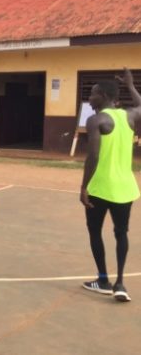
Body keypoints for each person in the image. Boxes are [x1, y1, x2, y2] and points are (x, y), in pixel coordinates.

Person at [80, 68, 140, 302]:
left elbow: (92, 156)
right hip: (125, 188)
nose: (90, 98)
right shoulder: (130, 116)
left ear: (104, 96)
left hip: (99, 188)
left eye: (93, 94)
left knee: (95, 232)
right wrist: (131, 85)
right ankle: (120, 283)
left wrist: (84, 187)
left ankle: (103, 279)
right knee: (121, 234)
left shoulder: (96, 119)